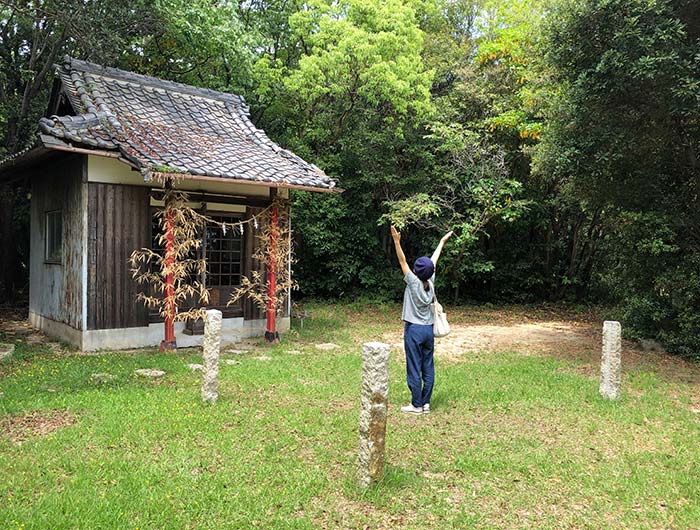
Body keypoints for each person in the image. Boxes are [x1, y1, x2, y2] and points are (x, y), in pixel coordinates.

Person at [390, 226, 453, 415]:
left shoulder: (413, 281)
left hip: (414, 330)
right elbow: (434, 260)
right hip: (428, 331)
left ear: (416, 271)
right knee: (428, 365)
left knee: (414, 366)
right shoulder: (430, 281)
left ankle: (416, 404)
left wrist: (396, 241)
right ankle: (426, 403)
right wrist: (442, 242)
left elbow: (402, 260)